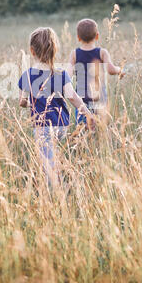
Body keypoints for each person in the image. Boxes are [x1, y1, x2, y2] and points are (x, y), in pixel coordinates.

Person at [18, 27, 93, 190]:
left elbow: (22, 102)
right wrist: (88, 114)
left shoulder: (27, 76)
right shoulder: (61, 74)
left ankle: (60, 189)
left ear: (32, 51)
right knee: (52, 155)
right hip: (61, 125)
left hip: (43, 126)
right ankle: (62, 182)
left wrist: (30, 101)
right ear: (54, 50)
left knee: (48, 165)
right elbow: (72, 97)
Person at [68, 17, 124, 124]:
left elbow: (68, 76)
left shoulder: (74, 54)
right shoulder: (102, 52)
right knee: (101, 127)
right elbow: (111, 70)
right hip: (99, 98)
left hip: (81, 100)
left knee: (83, 129)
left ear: (78, 38)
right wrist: (120, 70)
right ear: (97, 36)